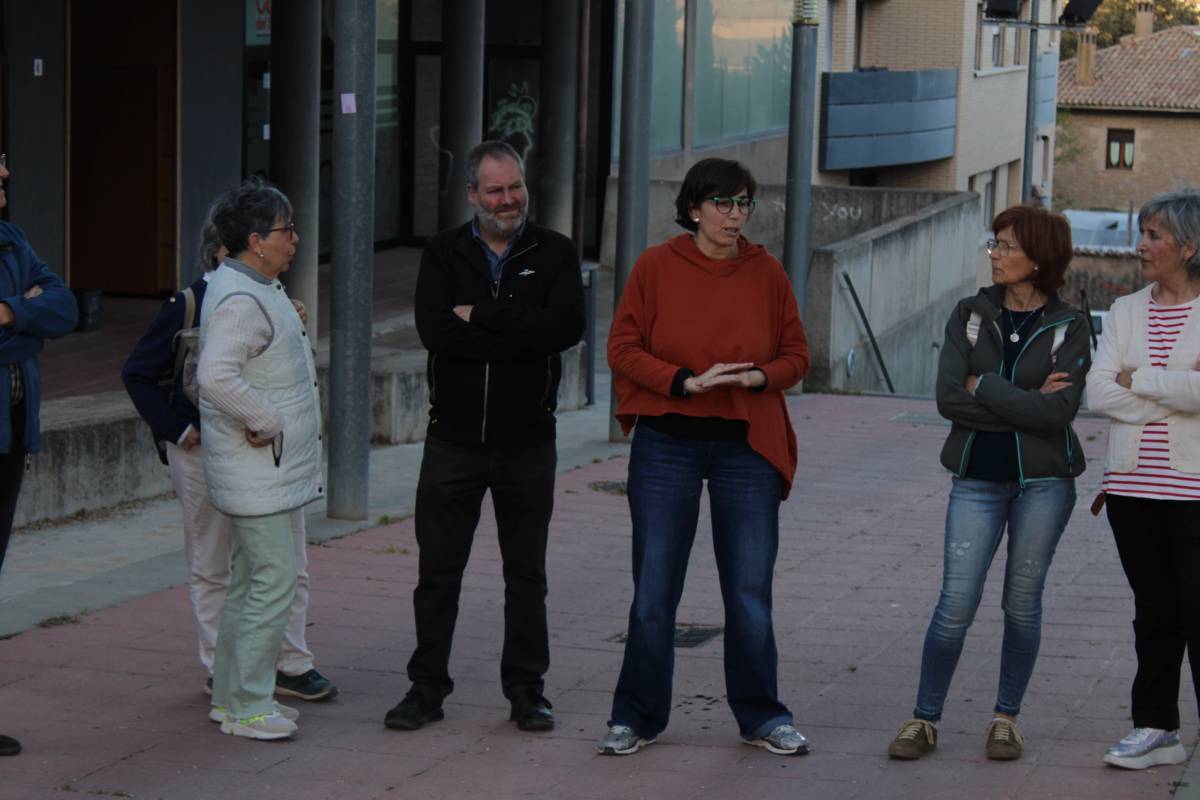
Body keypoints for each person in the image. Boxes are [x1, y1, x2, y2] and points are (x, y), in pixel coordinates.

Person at [598, 158, 810, 757]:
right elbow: (621, 347)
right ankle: (635, 717)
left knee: (748, 591)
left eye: (744, 203)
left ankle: (763, 716)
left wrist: (758, 377)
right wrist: (683, 382)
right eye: (722, 203)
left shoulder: (766, 271)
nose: (735, 214)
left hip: (747, 445)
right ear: (694, 208)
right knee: (654, 591)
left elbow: (797, 354)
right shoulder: (655, 267)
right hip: (668, 444)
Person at [384, 140, 584, 733]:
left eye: (515, 186)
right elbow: (436, 332)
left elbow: (566, 328)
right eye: (494, 190)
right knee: (438, 573)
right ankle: (426, 689)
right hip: (454, 442)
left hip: (528, 443)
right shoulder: (443, 254)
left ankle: (527, 692)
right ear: (471, 194)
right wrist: (523, 332)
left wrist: (485, 315)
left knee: (526, 576)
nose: (508, 200)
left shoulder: (555, 252)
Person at [887, 205, 1089, 762]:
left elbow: (1060, 412)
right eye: (993, 244)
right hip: (976, 479)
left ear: (1039, 258)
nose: (994, 254)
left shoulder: (1069, 324)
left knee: (1022, 604)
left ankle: (1006, 718)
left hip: (1044, 483)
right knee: (956, 602)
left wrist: (987, 387)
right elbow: (949, 397)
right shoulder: (969, 313)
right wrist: (1024, 401)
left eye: (1005, 246)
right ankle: (924, 719)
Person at [122, 217, 337, 705]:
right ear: (227, 251)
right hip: (200, 451)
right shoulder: (190, 303)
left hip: (264, 454)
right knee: (213, 562)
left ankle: (291, 662)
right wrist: (179, 429)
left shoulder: (272, 296)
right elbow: (138, 373)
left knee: (286, 561)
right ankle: (221, 666)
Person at [198, 178, 325, 740]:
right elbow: (214, 376)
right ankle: (250, 705)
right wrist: (264, 418)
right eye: (285, 229)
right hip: (257, 475)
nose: (294, 239)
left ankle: (230, 698)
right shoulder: (243, 298)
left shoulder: (255, 286)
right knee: (270, 581)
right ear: (255, 240)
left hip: (264, 474)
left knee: (251, 582)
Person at [1086, 188, 1200, 770]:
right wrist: (1175, 386)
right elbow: (1096, 390)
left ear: (1190, 246)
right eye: (1143, 232)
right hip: (1131, 489)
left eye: (1155, 235)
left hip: (1194, 492)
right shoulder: (1127, 310)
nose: (1141, 245)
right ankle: (1157, 728)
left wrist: (1140, 378)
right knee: (1153, 611)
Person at [0, 152, 79, 756]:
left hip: (13, 432)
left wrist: (12, 313)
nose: (5, 176)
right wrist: (26, 321)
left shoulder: (11, 237)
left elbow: (64, 307)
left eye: (6, 163)